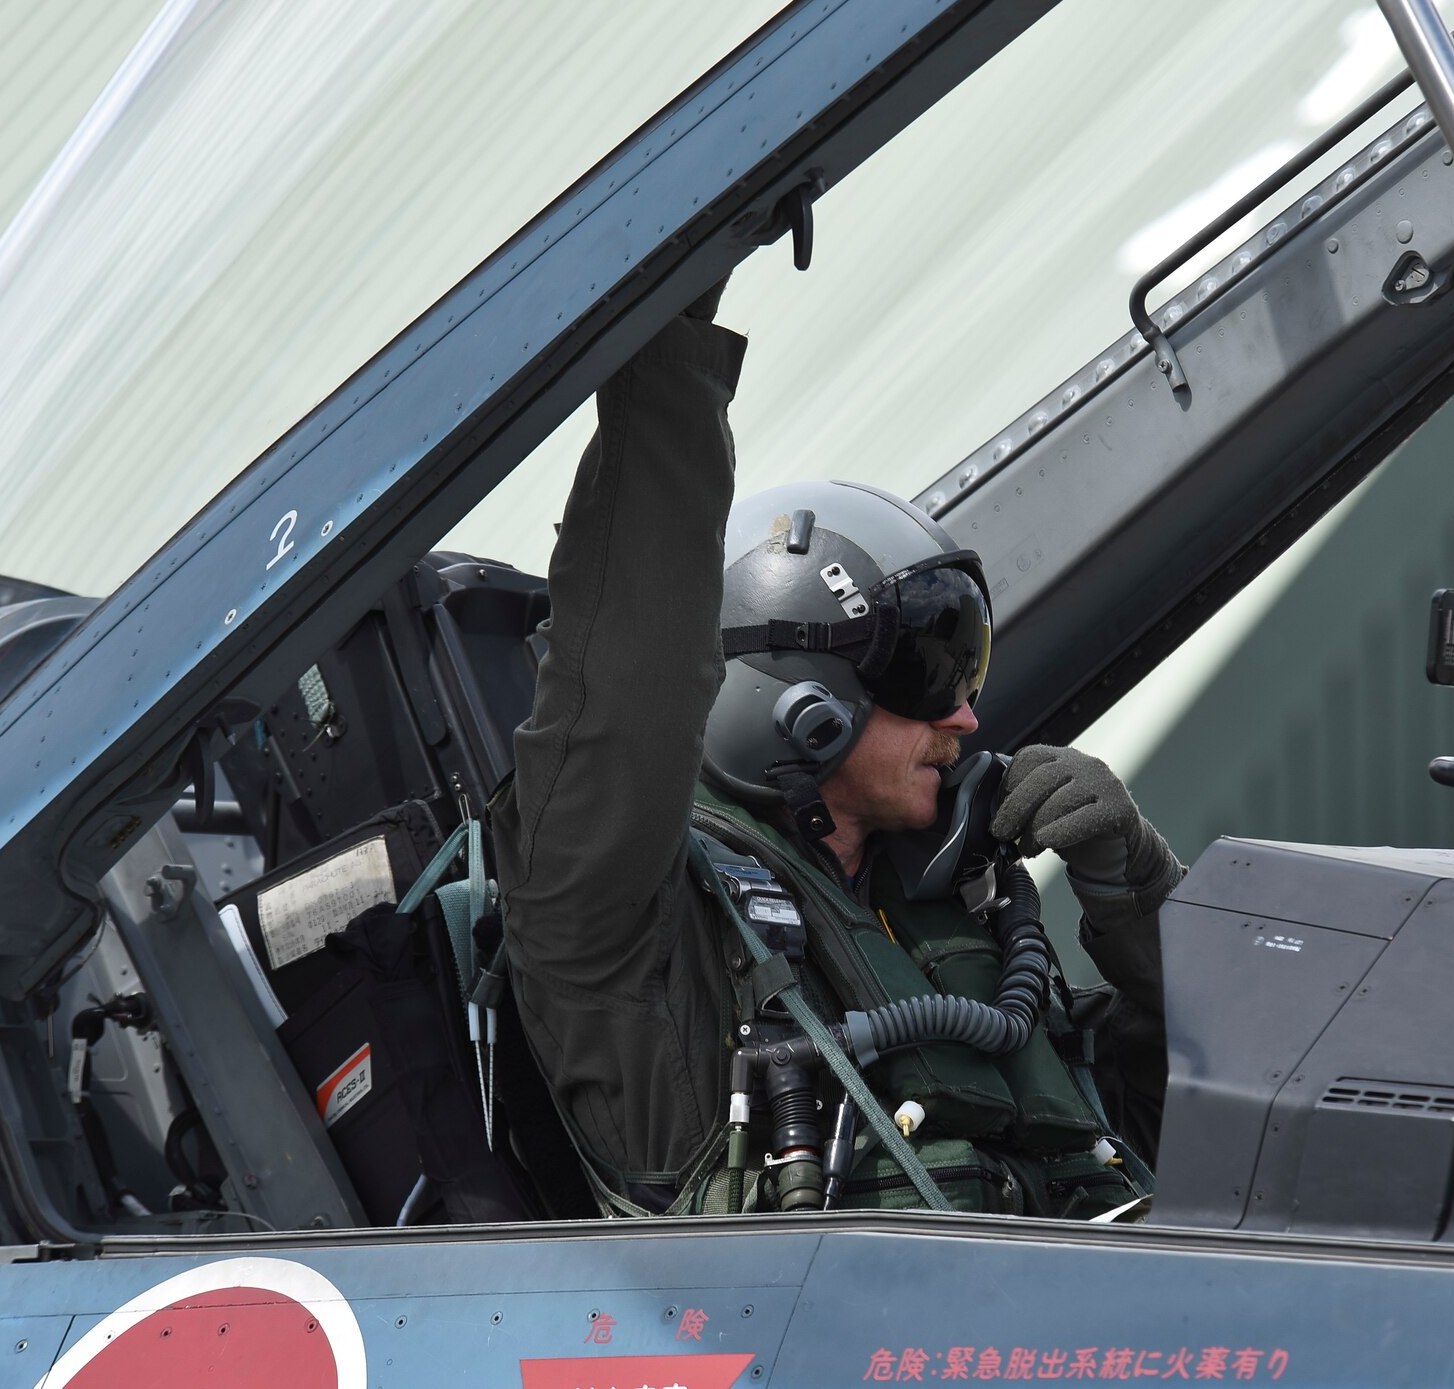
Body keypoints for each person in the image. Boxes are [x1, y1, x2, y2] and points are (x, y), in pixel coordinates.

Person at [491, 278, 1183, 1217]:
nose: (968, 721)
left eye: (968, 674)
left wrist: (1134, 892)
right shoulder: (627, 938)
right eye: (930, 676)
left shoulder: (959, 925)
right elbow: (630, 671)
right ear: (801, 707)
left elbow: (1244, 1105)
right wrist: (671, 334)